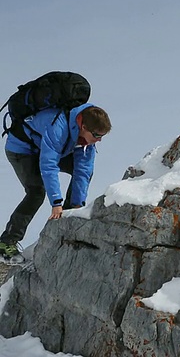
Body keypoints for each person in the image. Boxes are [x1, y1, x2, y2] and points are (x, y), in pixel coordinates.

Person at [0, 103, 111, 262]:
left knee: (80, 170)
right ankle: (6, 243)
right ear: (84, 126)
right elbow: (48, 165)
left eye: (102, 136)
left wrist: (77, 204)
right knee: (36, 192)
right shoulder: (58, 127)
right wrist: (56, 202)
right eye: (96, 135)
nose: (98, 140)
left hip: (43, 148)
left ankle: (68, 212)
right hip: (22, 149)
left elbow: (83, 171)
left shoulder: (87, 141)